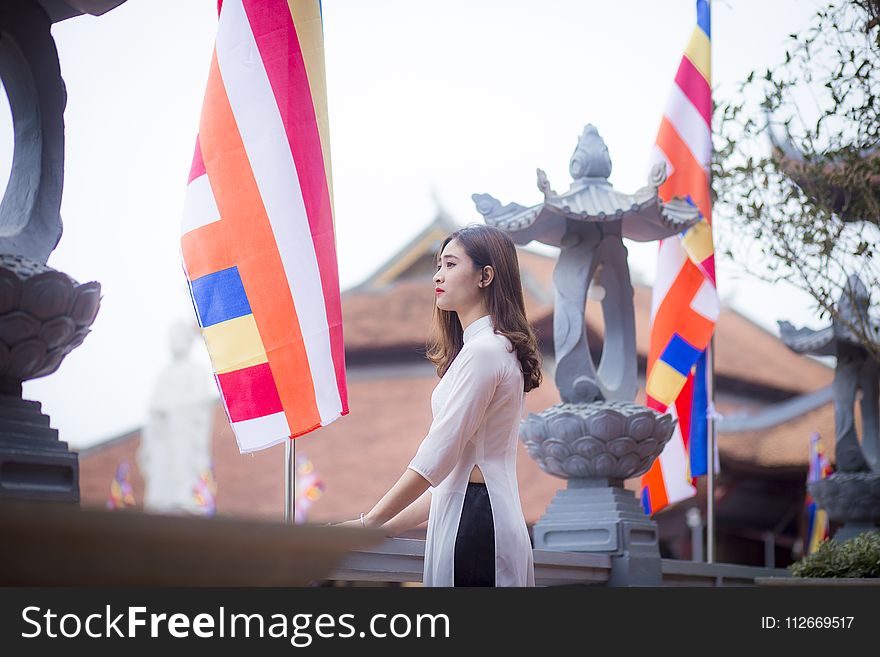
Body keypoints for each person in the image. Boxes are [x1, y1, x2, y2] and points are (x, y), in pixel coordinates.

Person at [339, 224, 542, 587]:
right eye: (437, 265)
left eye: (450, 265)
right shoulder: (489, 349)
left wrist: (368, 522)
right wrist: (384, 528)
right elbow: (447, 485)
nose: (437, 275)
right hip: (473, 513)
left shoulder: (484, 351)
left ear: (486, 275)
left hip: (478, 525)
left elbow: (437, 457)